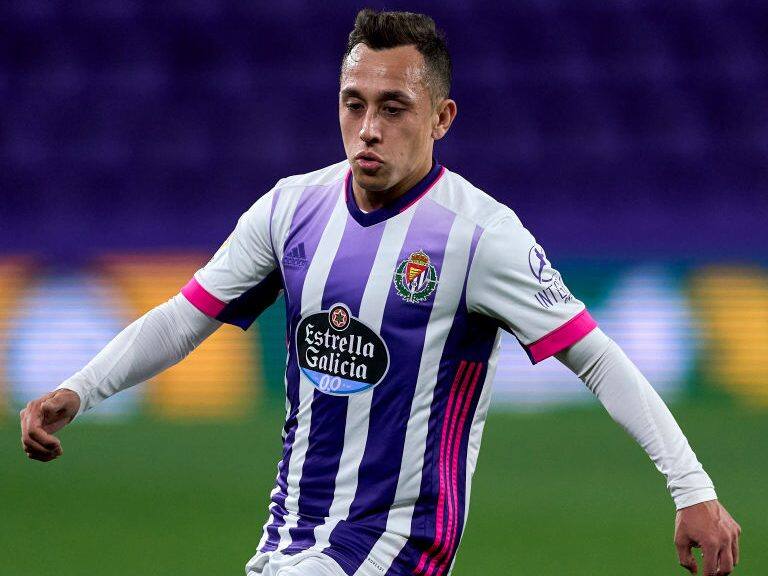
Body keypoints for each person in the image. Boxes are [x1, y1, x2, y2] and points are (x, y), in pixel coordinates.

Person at [20, 8, 741, 576]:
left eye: (394, 106)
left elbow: (597, 358)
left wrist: (693, 489)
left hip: (398, 546)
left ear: (441, 118)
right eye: (353, 102)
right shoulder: (290, 208)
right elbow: (185, 318)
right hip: (290, 539)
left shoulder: (479, 236)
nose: (368, 128)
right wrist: (79, 390)